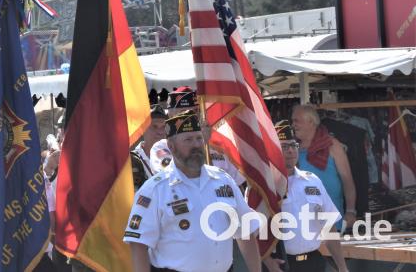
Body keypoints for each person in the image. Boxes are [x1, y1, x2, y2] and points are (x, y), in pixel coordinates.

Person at [123, 112, 263, 272]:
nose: (196, 145)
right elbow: (138, 244)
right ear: (171, 146)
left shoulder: (223, 180)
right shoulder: (155, 190)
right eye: (188, 140)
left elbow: (246, 231)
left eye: (199, 138)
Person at [266, 121, 349, 272]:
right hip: (280, 264)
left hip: (313, 262)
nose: (291, 151)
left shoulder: (312, 180)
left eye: (294, 146)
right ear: (273, 150)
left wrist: (342, 267)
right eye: (284, 147)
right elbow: (251, 231)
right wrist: (268, 262)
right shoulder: (265, 185)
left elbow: (329, 227)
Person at [292, 104, 356, 231]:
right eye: (292, 121)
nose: (293, 125)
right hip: (302, 221)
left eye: (296, 121)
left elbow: (347, 180)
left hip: (331, 220)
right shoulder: (293, 148)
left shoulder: (332, 145)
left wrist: (350, 211)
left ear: (310, 122)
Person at [132, 107, 168, 188]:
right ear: (142, 129)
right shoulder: (132, 160)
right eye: (154, 127)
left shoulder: (175, 156)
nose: (160, 132)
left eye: (163, 127)